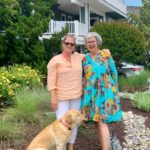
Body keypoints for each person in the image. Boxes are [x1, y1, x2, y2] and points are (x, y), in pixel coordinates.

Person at [81, 32, 122, 150]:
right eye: (88, 42)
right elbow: (86, 76)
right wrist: (84, 91)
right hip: (91, 93)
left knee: (102, 121)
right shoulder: (85, 58)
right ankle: (105, 146)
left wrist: (115, 91)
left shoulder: (105, 54)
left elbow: (114, 72)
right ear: (86, 44)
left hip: (105, 92)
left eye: (93, 41)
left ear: (98, 42)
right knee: (96, 122)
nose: (91, 44)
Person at [47, 34, 84, 150]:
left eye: (72, 44)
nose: (69, 45)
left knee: (74, 123)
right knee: (63, 125)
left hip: (76, 96)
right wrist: (53, 97)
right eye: (67, 43)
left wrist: (103, 51)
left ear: (75, 46)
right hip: (61, 97)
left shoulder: (79, 57)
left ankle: (71, 146)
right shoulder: (54, 61)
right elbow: (51, 81)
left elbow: (93, 56)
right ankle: (61, 146)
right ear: (62, 44)